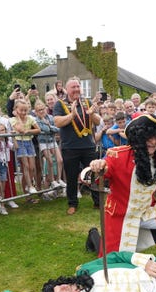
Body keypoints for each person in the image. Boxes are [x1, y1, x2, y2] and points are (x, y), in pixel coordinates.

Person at [88, 114, 156, 257]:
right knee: (113, 260)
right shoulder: (117, 155)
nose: (153, 142)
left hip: (146, 213)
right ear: (138, 139)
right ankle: (93, 235)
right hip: (122, 216)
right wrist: (98, 167)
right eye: (148, 137)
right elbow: (99, 174)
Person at [53, 77, 101, 215]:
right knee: (72, 177)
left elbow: (97, 122)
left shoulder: (87, 102)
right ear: (67, 90)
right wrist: (72, 115)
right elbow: (57, 122)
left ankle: (98, 202)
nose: (76, 89)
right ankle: (72, 203)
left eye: (77, 87)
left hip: (88, 146)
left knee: (94, 175)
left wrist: (92, 114)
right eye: (73, 87)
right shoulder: (60, 104)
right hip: (70, 147)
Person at [9, 98, 40, 196]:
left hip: (29, 142)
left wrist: (29, 131)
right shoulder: (13, 119)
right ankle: (30, 186)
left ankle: (28, 184)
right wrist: (18, 117)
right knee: (25, 166)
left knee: (32, 167)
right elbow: (21, 129)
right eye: (21, 110)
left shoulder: (30, 118)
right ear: (16, 110)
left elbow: (38, 130)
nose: (23, 112)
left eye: (25, 110)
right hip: (20, 142)